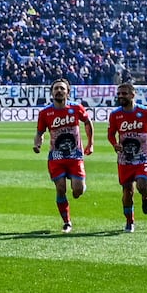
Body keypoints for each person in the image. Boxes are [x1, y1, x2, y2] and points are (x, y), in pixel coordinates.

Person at [32, 79, 94, 233]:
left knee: (77, 190)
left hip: (75, 156)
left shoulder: (76, 108)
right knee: (60, 188)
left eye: (62, 88)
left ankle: (80, 187)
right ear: (52, 92)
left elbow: (87, 122)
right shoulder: (45, 113)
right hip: (56, 157)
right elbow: (40, 132)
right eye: (56, 89)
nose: (59, 91)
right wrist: (37, 144)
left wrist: (90, 143)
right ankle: (67, 222)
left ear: (68, 92)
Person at [107, 81, 147, 233]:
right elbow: (110, 134)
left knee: (142, 185)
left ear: (133, 94)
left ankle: (146, 195)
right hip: (124, 159)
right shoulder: (115, 115)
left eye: (124, 93)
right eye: (119, 93)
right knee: (127, 191)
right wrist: (115, 144)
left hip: (142, 157)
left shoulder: (145, 112)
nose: (121, 96)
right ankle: (130, 221)